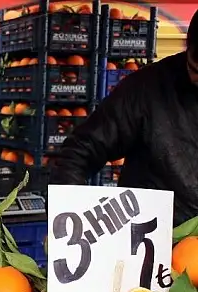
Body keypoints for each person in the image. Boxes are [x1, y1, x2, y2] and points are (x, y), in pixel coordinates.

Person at [50, 9, 198, 226]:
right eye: (196, 68)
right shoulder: (147, 88)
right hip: (148, 242)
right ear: (188, 50)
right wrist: (65, 221)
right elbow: (80, 151)